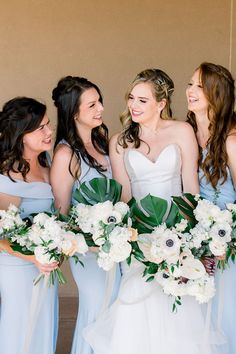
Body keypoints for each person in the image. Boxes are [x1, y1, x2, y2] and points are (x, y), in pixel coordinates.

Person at [83, 68, 225, 354]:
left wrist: (186, 241)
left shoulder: (181, 132)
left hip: (178, 238)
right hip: (140, 241)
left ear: (161, 104)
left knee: (178, 311)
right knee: (137, 309)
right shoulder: (120, 143)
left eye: (143, 100)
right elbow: (123, 200)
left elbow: (191, 190)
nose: (133, 106)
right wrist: (134, 241)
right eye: (131, 98)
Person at [50, 75, 121, 354]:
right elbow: (61, 212)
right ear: (73, 112)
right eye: (91, 105)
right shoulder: (66, 154)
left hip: (115, 247)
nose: (100, 108)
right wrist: (84, 239)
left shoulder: (102, 142)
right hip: (88, 253)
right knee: (96, 308)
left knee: (116, 308)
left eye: (99, 101)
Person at [0, 97, 58, 354]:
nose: (49, 132)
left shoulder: (46, 165)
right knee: (20, 327)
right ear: (21, 134)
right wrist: (32, 256)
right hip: (17, 267)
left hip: (43, 265)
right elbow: (1, 234)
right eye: (40, 128)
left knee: (43, 325)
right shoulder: (9, 173)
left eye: (48, 125)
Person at [186, 62, 236, 354]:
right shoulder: (187, 133)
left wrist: (225, 240)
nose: (190, 91)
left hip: (227, 249)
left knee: (224, 315)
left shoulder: (231, 141)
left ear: (216, 94)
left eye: (199, 86)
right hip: (195, 245)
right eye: (190, 84)